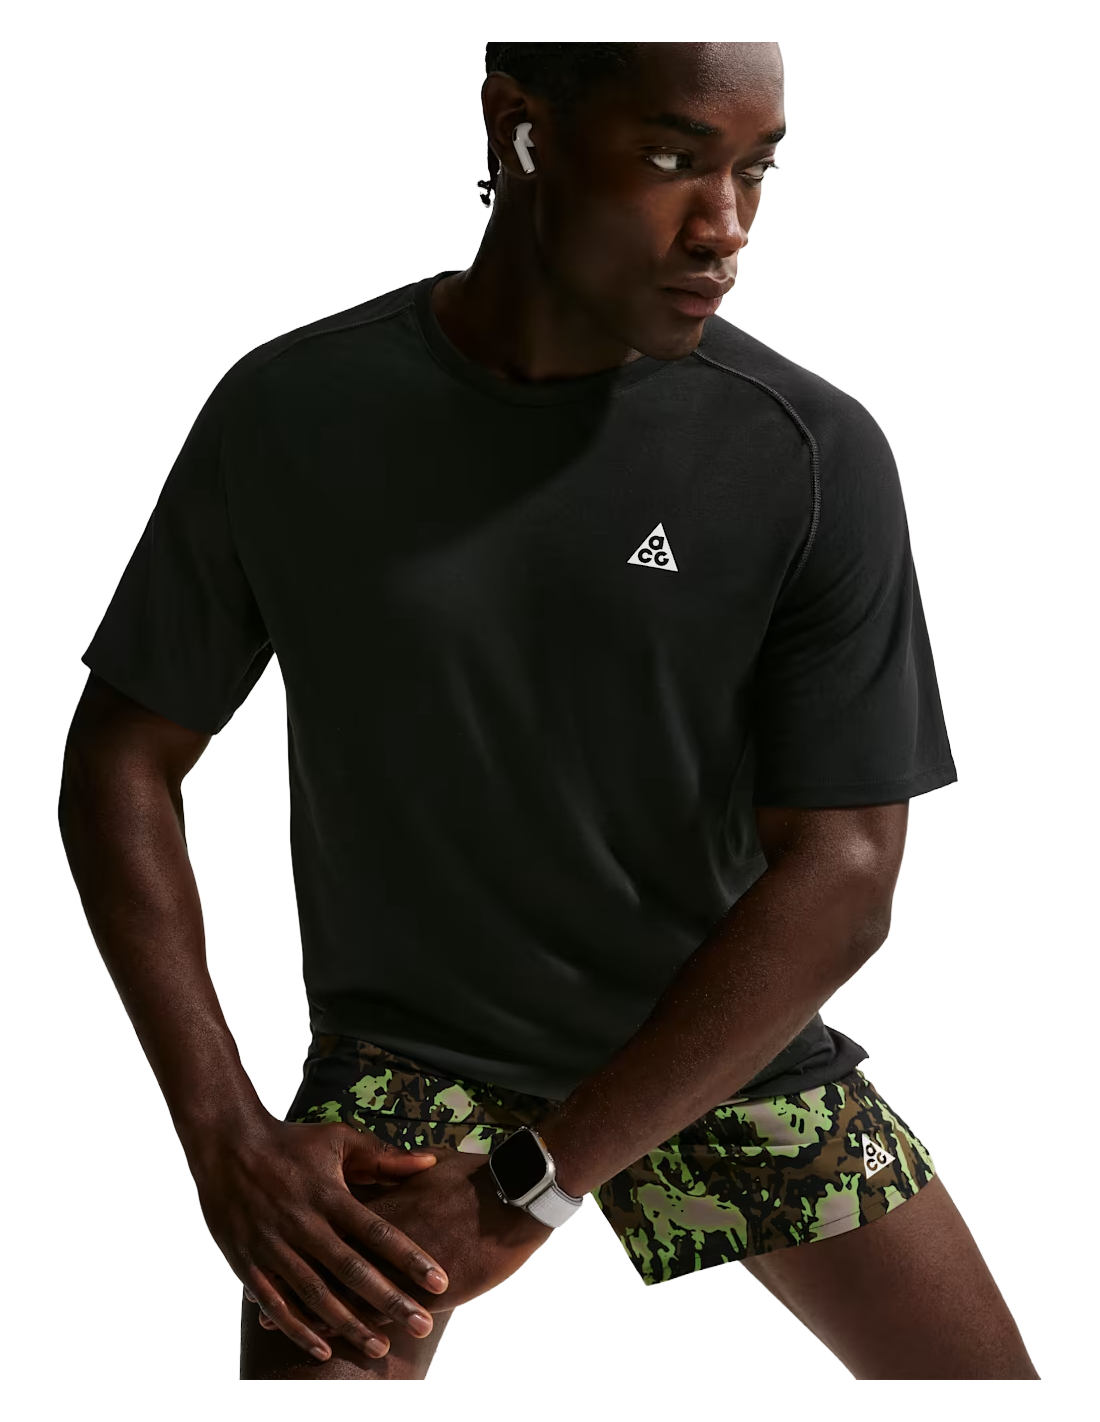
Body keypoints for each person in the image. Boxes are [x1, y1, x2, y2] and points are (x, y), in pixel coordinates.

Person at [58, 41, 1038, 1381]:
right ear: (517, 125)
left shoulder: (806, 451)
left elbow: (848, 872)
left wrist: (536, 1183)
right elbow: (123, 757)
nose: (726, 227)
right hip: (405, 1074)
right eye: (673, 157)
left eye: (757, 170)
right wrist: (224, 1134)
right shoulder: (293, 413)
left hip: (717, 1054)